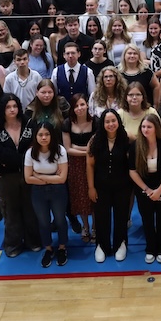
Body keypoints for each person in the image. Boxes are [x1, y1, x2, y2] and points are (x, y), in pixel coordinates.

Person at [0, 94, 40, 257]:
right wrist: (23, 159)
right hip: (5, 177)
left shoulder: (29, 123)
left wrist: (19, 160)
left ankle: (33, 241)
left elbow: (35, 146)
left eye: (15, 106)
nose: (12, 110)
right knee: (11, 211)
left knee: (30, 209)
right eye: (8, 107)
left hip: (28, 174)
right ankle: (13, 244)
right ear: (2, 109)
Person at [128, 112, 161, 263]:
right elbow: (132, 171)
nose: (145, 130)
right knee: (147, 219)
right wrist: (147, 190)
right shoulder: (136, 145)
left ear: (156, 128)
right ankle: (150, 247)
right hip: (144, 187)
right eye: (143, 127)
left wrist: (159, 190)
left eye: (149, 127)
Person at [87, 108, 133, 263]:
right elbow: (90, 165)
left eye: (113, 121)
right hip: (101, 186)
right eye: (107, 121)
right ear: (102, 123)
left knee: (121, 216)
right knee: (101, 216)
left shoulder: (126, 139)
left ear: (118, 122)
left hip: (122, 186)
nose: (111, 124)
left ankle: (121, 243)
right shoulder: (94, 141)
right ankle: (102, 245)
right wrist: (91, 187)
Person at [25, 121, 71, 268]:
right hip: (38, 192)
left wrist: (39, 176)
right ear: (35, 136)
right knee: (43, 222)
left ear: (52, 135)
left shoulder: (60, 150)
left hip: (58, 191)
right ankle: (48, 248)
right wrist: (52, 178)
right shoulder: (30, 153)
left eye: (47, 134)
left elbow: (62, 178)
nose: (44, 137)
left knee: (60, 220)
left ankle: (62, 247)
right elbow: (28, 178)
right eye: (40, 135)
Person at [62, 94, 96, 245]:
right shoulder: (67, 123)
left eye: (82, 104)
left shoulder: (96, 122)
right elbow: (68, 149)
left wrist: (79, 148)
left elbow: (96, 147)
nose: (80, 108)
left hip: (94, 164)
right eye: (76, 106)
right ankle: (85, 226)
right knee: (80, 196)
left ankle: (95, 227)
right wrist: (86, 151)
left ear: (87, 105)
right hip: (75, 165)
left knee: (94, 195)